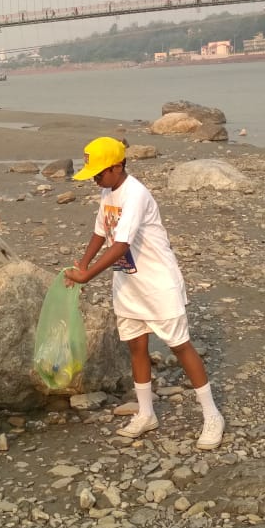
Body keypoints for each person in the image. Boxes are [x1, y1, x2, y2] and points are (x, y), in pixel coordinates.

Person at [65, 137, 225, 450]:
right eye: (92, 173)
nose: (95, 178)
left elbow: (121, 244)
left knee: (180, 347)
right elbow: (102, 231)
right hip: (128, 283)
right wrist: (83, 262)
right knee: (136, 346)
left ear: (118, 166)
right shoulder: (107, 191)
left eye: (99, 172)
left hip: (157, 284)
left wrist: (86, 276)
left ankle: (212, 415)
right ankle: (146, 413)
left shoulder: (135, 194)